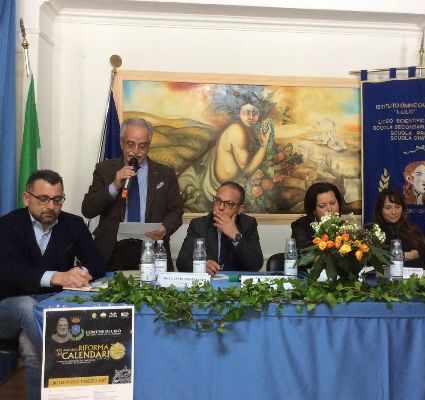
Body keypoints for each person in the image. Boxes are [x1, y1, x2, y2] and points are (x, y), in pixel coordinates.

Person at [0, 169, 106, 400]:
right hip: (9, 307)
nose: (51, 206)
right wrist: (56, 277)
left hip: (52, 306)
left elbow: (97, 263)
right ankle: (71, 359)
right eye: (43, 199)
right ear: (26, 198)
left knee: (31, 349)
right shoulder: (7, 225)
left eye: (57, 200)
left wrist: (80, 273)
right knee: (27, 306)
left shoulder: (73, 224)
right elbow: (6, 271)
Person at [82, 118, 183, 271]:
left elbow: (176, 210)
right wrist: (114, 185)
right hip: (112, 251)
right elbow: (88, 210)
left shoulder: (165, 174)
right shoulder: (105, 169)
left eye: (142, 145)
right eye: (130, 144)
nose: (136, 151)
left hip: (152, 248)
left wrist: (165, 227)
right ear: (121, 142)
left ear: (149, 145)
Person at [176, 181, 263, 276]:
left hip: (235, 282)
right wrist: (202, 265)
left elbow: (256, 265)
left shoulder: (248, 224)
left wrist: (235, 235)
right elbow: (181, 262)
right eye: (218, 200)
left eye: (228, 203)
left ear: (240, 209)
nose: (220, 207)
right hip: (208, 281)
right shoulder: (199, 225)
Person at [372, 188, 425, 269]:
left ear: (402, 208)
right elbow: (375, 260)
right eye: (388, 208)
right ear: (380, 210)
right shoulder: (371, 231)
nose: (394, 212)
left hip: (412, 276)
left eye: (397, 207)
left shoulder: (412, 229)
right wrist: (406, 256)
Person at [291, 182, 343, 251]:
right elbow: (303, 255)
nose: (329, 209)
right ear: (313, 209)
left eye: (333, 203)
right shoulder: (301, 227)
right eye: (322, 206)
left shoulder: (344, 226)